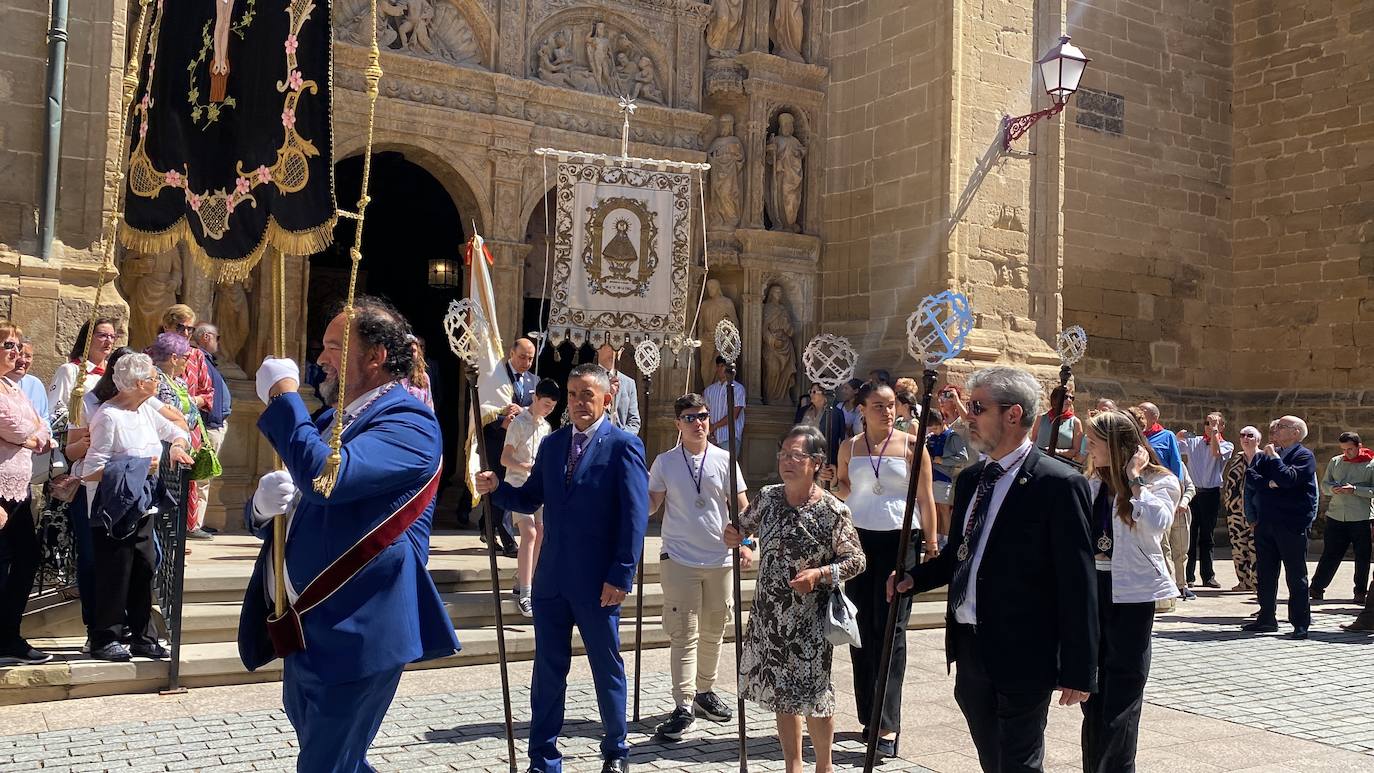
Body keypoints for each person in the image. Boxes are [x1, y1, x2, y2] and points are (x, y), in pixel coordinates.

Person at [242, 296, 459, 772]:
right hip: (305, 625)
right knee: (338, 760)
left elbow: (327, 480)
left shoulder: (411, 422)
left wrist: (283, 397)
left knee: (325, 764)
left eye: (336, 346)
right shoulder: (328, 419)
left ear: (376, 357)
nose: (321, 359)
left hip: (361, 625)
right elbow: (304, 510)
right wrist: (259, 511)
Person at [890, 366, 1097, 773]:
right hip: (970, 649)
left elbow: (1078, 581)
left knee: (1018, 762)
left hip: (1025, 651)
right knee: (994, 759)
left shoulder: (1057, 484)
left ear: (1013, 415)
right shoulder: (971, 480)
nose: (968, 416)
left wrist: (1079, 666)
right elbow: (962, 554)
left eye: (978, 407)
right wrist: (916, 578)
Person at [475, 363, 648, 773]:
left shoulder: (623, 446)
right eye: (573, 395)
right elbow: (531, 497)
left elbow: (634, 518)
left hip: (597, 583)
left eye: (587, 394)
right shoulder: (552, 446)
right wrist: (497, 489)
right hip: (551, 581)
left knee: (606, 668)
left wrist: (621, 575)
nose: (578, 402)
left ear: (607, 399)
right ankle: (544, 758)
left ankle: (616, 750)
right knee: (547, 674)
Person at [724, 425, 865, 773]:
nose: (787, 461)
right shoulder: (770, 497)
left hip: (809, 619)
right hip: (769, 616)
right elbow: (741, 528)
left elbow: (856, 560)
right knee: (781, 696)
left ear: (816, 463)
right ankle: (793, 766)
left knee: (816, 697)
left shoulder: (833, 510)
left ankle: (824, 766)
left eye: (796, 455)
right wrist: (735, 537)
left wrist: (820, 574)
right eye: (783, 454)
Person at [825, 381, 937, 756]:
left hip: (899, 541)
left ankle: (888, 724)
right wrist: (829, 483)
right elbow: (844, 490)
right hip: (857, 541)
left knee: (891, 628)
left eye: (891, 405)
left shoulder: (911, 445)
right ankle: (868, 716)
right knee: (862, 628)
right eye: (878, 405)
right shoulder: (849, 447)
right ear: (862, 409)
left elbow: (924, 497)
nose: (887, 412)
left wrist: (932, 544)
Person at [1080, 410, 1180, 773]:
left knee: (1122, 693)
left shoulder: (1158, 481)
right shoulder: (1092, 482)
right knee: (1092, 693)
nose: (1087, 445)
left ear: (1117, 444)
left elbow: (1156, 524)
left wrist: (1133, 477)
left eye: (1094, 440)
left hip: (1132, 593)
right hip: (1094, 589)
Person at [647, 393, 750, 741]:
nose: (698, 423)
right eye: (690, 417)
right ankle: (684, 704)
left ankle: (706, 691)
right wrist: (627, 494)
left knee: (715, 629)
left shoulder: (724, 459)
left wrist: (747, 541)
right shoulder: (664, 461)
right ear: (678, 423)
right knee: (684, 632)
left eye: (703, 416)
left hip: (719, 558)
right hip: (679, 557)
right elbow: (651, 504)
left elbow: (741, 506)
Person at [79, 352, 192, 662]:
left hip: (142, 505)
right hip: (112, 509)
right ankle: (106, 638)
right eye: (155, 378)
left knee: (144, 568)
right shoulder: (108, 415)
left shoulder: (144, 411)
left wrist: (179, 447)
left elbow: (176, 431)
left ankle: (143, 637)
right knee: (115, 573)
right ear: (141, 383)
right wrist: (139, 465)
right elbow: (92, 468)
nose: (158, 382)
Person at [0, 321, 56, 665]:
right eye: (8, 345)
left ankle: (8, 634)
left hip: (19, 489)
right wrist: (26, 437)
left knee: (26, 558)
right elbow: (11, 424)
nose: (15, 352)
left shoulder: (14, 387)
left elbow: (41, 423)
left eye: (16, 346)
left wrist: (32, 435)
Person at [1242, 415, 1318, 639]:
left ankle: (1300, 623)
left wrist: (1275, 463)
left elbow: (1289, 478)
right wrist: (1271, 483)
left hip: (1291, 523)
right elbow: (1252, 476)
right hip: (1266, 522)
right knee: (1265, 572)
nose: (1274, 430)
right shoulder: (1266, 456)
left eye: (1281, 427)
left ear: (1295, 432)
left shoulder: (1304, 455)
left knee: (1296, 574)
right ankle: (1266, 618)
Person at [501, 378, 559, 617]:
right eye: (546, 404)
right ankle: (526, 591)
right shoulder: (519, 423)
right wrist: (525, 465)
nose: (548, 409)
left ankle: (525, 578)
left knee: (542, 532)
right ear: (535, 398)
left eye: (552, 407)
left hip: (538, 486)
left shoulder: (546, 427)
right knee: (529, 532)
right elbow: (505, 459)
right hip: (518, 484)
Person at [148, 333, 211, 541]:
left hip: (180, 443)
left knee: (176, 498)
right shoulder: (154, 378)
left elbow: (190, 412)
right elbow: (155, 410)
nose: (188, 361)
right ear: (173, 358)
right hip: (162, 446)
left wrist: (183, 420)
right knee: (161, 498)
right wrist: (179, 418)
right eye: (185, 357)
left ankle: (173, 541)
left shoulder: (181, 383)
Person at [482, 338, 539, 558]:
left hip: (519, 445)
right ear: (511, 354)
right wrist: (502, 422)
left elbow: (537, 407)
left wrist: (523, 408)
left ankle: (486, 527)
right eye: (523, 357)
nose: (526, 362)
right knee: (500, 484)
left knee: (503, 489)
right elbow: (485, 407)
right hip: (497, 441)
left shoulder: (534, 380)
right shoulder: (497, 377)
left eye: (530, 358)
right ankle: (508, 542)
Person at [1312, 431, 1374, 604]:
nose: (1346, 453)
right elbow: (1324, 485)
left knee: (1362, 556)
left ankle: (1360, 591)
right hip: (1336, 515)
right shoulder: (1335, 461)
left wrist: (1355, 490)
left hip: (1360, 517)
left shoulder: (1371, 464)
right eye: (1344, 449)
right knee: (1330, 553)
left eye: (1350, 449)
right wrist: (1333, 489)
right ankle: (1317, 588)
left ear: (1359, 446)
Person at [1176, 413, 1234, 590]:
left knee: (1207, 536)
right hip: (1193, 493)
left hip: (1211, 493)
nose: (1209, 426)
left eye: (1214, 424)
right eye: (1207, 423)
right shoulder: (1195, 441)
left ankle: (1208, 575)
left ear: (1222, 427)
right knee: (1191, 534)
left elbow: (1216, 453)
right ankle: (1189, 576)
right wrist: (1179, 435)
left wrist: (1215, 433)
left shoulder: (1226, 444)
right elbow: (1176, 448)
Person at [192, 323, 231, 534]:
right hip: (208, 426)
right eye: (218, 337)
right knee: (202, 478)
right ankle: (194, 524)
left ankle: (196, 520)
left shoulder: (208, 361)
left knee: (205, 478)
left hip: (214, 424)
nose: (219, 342)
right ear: (207, 337)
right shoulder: (200, 359)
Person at [48, 318, 119, 421]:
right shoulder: (70, 370)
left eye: (112, 337)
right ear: (87, 338)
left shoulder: (114, 373)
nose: (109, 340)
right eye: (102, 335)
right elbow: (54, 410)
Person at [1223, 426, 1260, 592]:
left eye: (1250, 435)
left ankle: (1258, 582)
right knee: (1239, 547)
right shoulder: (1237, 458)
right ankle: (1243, 581)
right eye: (1242, 435)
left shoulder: (1263, 458)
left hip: (1256, 512)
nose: (1245, 438)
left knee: (1256, 548)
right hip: (1235, 511)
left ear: (1258, 440)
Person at [927, 410, 969, 545]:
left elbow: (963, 457)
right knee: (936, 509)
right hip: (932, 476)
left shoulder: (953, 437)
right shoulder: (932, 437)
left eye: (936, 428)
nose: (935, 431)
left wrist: (943, 461)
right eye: (932, 428)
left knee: (944, 509)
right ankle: (938, 537)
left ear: (943, 422)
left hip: (944, 477)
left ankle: (947, 539)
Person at [1030, 385, 1083, 465]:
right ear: (1055, 399)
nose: (1069, 400)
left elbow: (1076, 451)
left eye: (1071, 398)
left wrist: (1057, 452)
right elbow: (1033, 441)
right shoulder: (1041, 418)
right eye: (1065, 397)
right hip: (1039, 463)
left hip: (1061, 466)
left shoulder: (1075, 422)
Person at [703, 356, 746, 453]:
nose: (719, 369)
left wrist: (714, 426)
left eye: (722, 366)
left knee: (729, 467)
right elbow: (705, 413)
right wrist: (711, 433)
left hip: (729, 437)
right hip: (712, 439)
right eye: (718, 366)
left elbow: (734, 414)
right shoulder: (709, 390)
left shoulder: (738, 389)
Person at [597, 344, 641, 433]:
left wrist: (619, 438)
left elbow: (634, 422)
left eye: (619, 347)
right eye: (610, 346)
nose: (614, 351)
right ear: (598, 348)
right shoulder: (589, 379)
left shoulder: (629, 383)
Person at [1137, 402, 1184, 481]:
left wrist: (1179, 484)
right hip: (1138, 484)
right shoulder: (1134, 435)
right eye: (1137, 411)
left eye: (1142, 412)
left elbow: (1176, 463)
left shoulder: (1167, 436)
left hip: (1161, 483)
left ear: (1154, 418)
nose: (1138, 415)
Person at [12, 339, 47, 421]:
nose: (23, 360)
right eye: (19, 354)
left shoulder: (35, 384)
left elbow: (45, 418)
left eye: (28, 356)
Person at [402, 335, 435, 410]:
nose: (411, 354)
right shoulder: (394, 376)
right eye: (408, 350)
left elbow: (429, 404)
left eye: (413, 351)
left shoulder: (424, 377)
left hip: (419, 419)